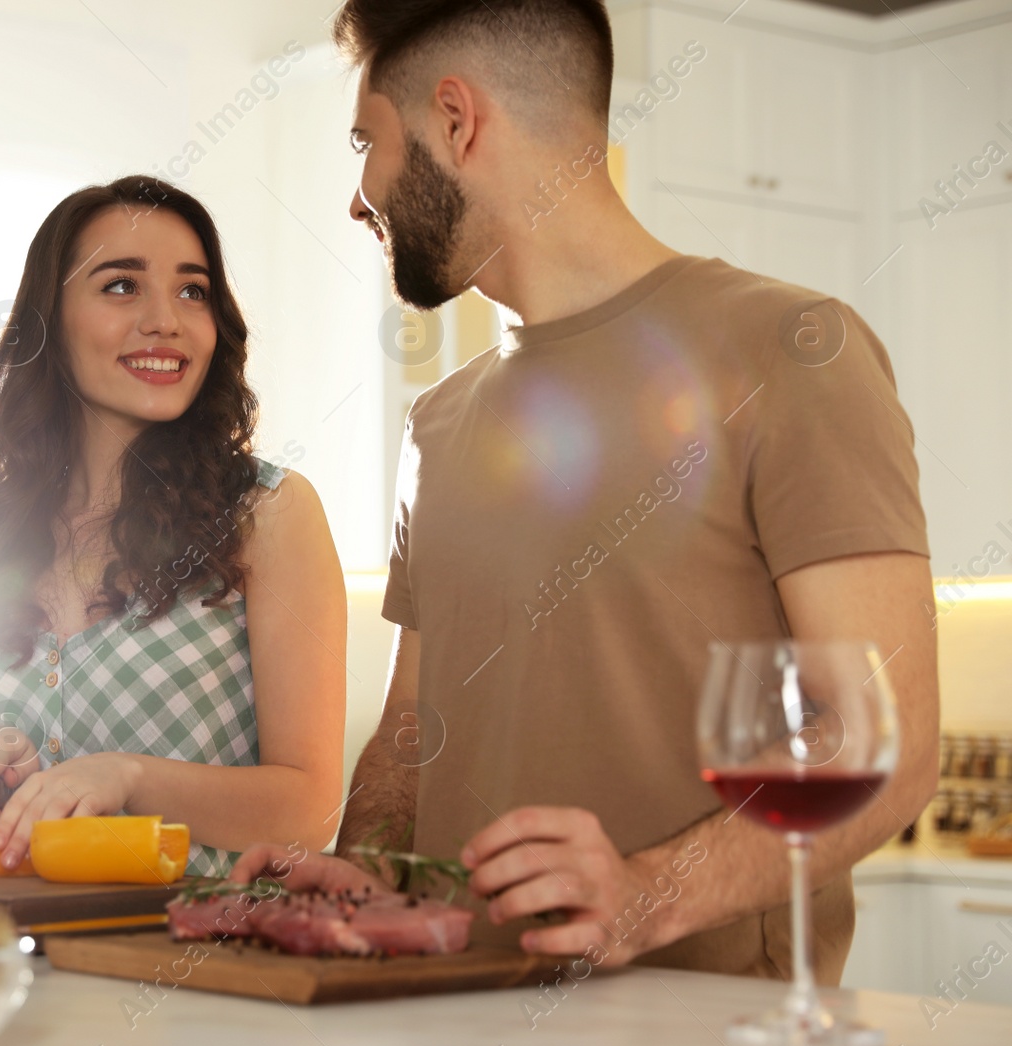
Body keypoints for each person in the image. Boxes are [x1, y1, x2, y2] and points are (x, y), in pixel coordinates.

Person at [234, 0, 938, 983]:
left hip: (704, 1037)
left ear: (455, 120)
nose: (358, 197)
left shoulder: (794, 350)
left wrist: (642, 892)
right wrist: (353, 875)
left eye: (368, 142)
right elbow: (410, 732)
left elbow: (889, 745)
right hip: (447, 1021)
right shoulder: (436, 423)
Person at [0, 175, 346, 878]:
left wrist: (127, 776)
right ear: (50, 320)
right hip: (24, 965)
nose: (166, 320)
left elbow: (311, 807)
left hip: (206, 965)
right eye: (121, 286)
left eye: (193, 291)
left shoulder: (270, 513)